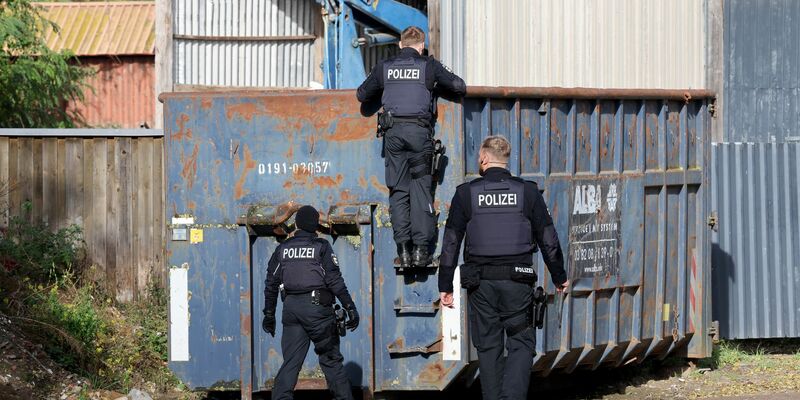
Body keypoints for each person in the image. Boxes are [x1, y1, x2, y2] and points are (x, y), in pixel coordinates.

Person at [437, 136, 569, 400]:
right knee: (521, 344)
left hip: (480, 286)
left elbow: (451, 242)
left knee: (488, 347)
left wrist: (445, 286)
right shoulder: (528, 192)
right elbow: (548, 239)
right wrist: (559, 276)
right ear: (505, 159)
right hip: (517, 285)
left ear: (484, 158)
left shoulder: (465, 193)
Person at [356, 25, 466, 268]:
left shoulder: (385, 67)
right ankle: (420, 252)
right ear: (421, 46)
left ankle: (403, 251)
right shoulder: (428, 66)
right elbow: (459, 86)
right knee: (421, 190)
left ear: (400, 45)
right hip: (419, 134)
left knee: (398, 191)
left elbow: (362, 95)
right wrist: (434, 84)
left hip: (393, 135)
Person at [262, 205, 359, 400]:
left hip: (291, 311)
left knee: (290, 363)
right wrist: (350, 306)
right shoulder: (321, 247)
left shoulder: (282, 249)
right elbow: (334, 280)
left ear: (296, 224)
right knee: (331, 362)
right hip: (318, 312)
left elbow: (271, 284)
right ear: (315, 226)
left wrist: (269, 315)